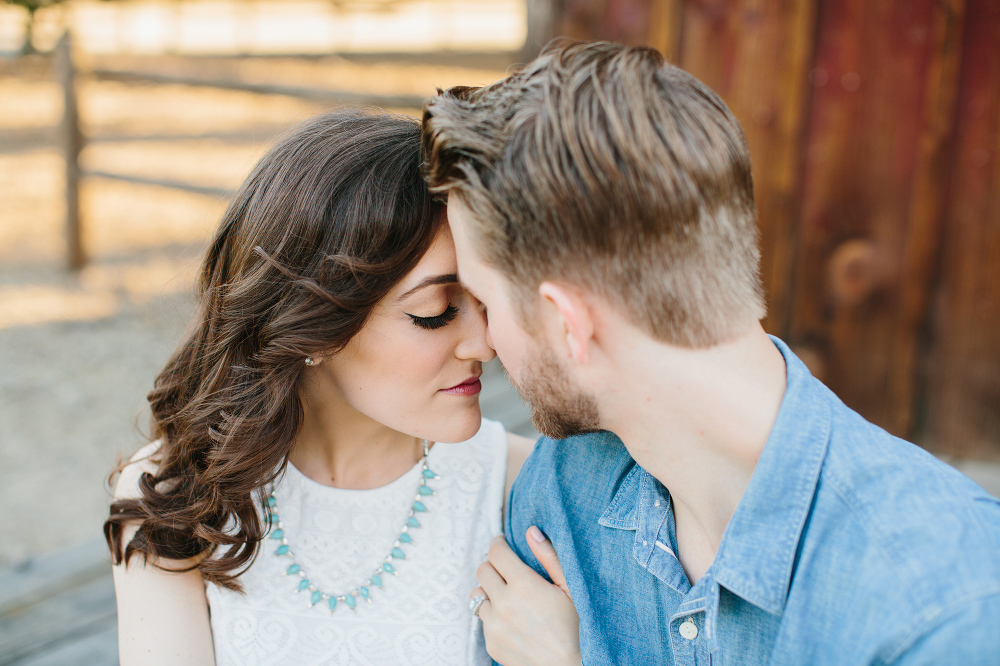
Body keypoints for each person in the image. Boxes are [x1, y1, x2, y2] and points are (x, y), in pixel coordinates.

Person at [422, 40, 1000, 665]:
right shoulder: (562, 492)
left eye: (485, 302)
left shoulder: (948, 605)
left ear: (569, 324)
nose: (482, 341)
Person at [104, 110, 533, 666]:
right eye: (434, 311)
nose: (484, 344)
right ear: (313, 326)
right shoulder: (175, 498)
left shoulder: (525, 486)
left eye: (485, 300)